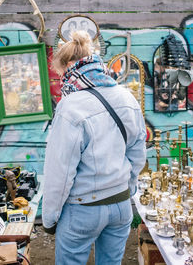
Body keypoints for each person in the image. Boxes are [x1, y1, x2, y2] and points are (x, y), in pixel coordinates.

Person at [42, 30, 146, 265]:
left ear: (70, 65)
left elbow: (60, 171)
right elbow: (138, 152)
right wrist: (126, 188)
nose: (62, 78)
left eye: (61, 72)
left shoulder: (70, 107)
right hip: (120, 206)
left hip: (83, 208)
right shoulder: (126, 97)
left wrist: (49, 219)